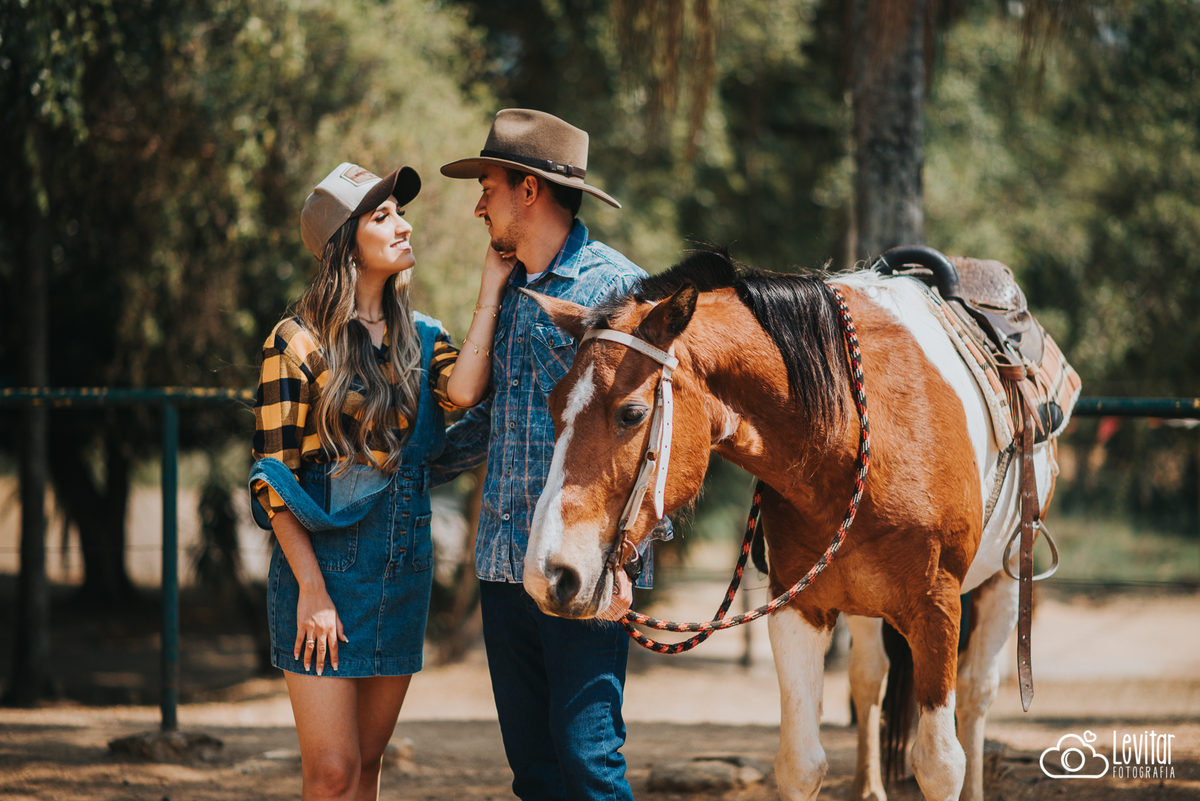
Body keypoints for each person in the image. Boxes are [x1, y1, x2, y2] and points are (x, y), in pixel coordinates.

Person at [248, 161, 508, 801]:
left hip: (402, 569)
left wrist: (491, 287)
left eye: (400, 212)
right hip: (323, 573)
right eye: (382, 215)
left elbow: (467, 390)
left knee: (367, 765)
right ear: (345, 240)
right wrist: (311, 589)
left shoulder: (424, 339)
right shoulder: (295, 342)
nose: (403, 225)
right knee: (332, 773)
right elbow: (274, 479)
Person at [435, 109, 670, 801]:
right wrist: (410, 467)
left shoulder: (617, 292)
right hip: (504, 564)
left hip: (582, 565)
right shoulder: (507, 289)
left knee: (588, 762)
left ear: (528, 191)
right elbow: (490, 419)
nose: (479, 203)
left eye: (488, 185)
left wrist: (628, 557)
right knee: (534, 774)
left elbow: (658, 436)